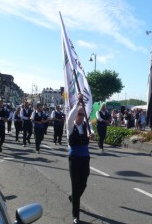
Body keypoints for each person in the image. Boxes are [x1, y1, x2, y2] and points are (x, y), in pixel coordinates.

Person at [67, 93, 94, 224]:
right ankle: (75, 215)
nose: (81, 117)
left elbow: (92, 132)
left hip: (85, 159)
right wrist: (78, 103)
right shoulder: (70, 125)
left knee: (83, 183)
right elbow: (71, 116)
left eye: (83, 115)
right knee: (75, 184)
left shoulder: (85, 125)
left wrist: (92, 134)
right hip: (74, 159)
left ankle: (73, 197)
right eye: (79, 114)